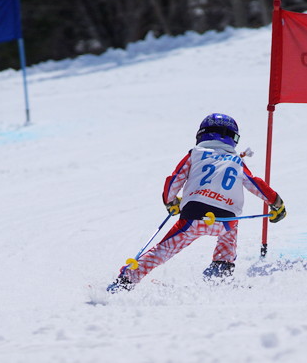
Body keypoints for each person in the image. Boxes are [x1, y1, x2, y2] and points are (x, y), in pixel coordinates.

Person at [108, 113, 286, 292]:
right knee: (231, 228)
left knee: (162, 251)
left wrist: (170, 202)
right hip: (224, 221)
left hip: (193, 217)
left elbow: (174, 179)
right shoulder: (237, 161)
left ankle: (126, 281)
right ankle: (221, 268)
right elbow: (255, 183)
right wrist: (276, 203)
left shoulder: (195, 154)